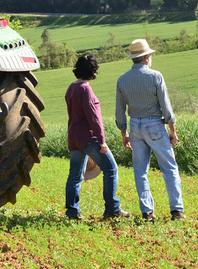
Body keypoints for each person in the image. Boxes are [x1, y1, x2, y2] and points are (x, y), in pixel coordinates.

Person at [116, 39, 185, 222]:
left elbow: (119, 110)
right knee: (169, 167)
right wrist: (172, 130)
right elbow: (166, 106)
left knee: (140, 171)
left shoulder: (122, 80)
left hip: (135, 127)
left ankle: (147, 212)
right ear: (146, 57)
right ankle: (176, 211)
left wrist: (124, 133)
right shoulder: (156, 76)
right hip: (154, 125)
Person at [65, 54, 130, 220]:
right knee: (111, 168)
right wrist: (102, 142)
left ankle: (72, 212)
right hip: (88, 137)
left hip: (73, 136)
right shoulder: (85, 89)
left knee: (75, 176)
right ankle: (112, 209)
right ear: (93, 71)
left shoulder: (71, 88)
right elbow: (94, 118)